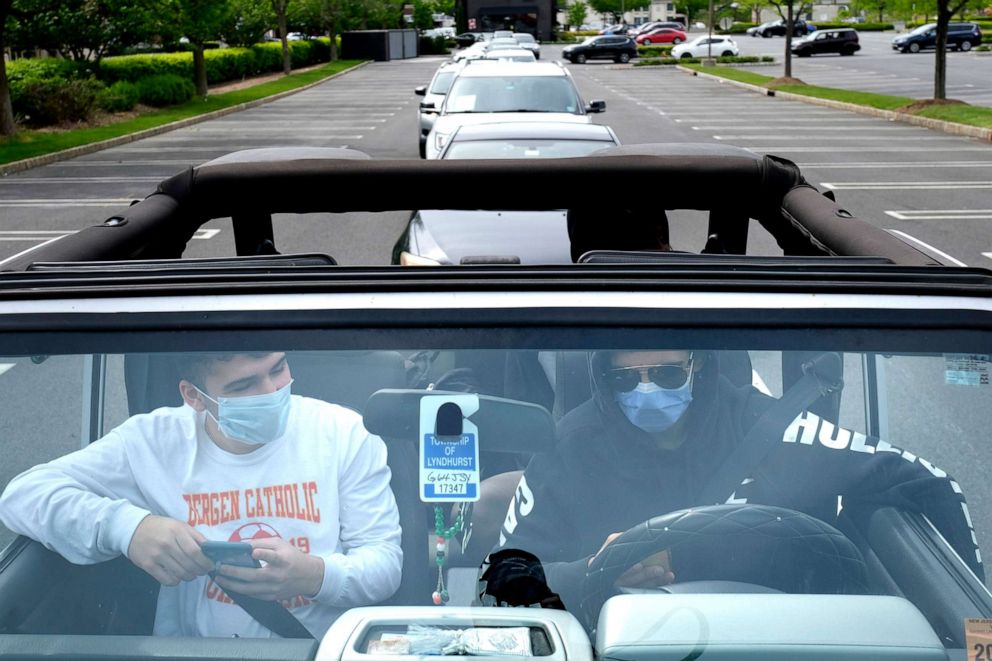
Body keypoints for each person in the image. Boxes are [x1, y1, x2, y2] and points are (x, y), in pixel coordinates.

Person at [483, 349, 984, 608]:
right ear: (601, 377)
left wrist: (974, 643)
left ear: (698, 367)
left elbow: (933, 484)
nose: (646, 390)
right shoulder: (569, 447)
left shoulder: (774, 429)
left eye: (666, 374)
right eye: (624, 378)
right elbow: (499, 581)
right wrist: (588, 571)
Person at [0, 351, 402, 638]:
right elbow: (23, 495)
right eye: (244, 385)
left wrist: (315, 575)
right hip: (197, 651)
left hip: (319, 652)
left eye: (278, 369)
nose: (271, 392)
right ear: (193, 396)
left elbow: (385, 564)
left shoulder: (345, 432)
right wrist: (129, 528)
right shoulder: (154, 441)